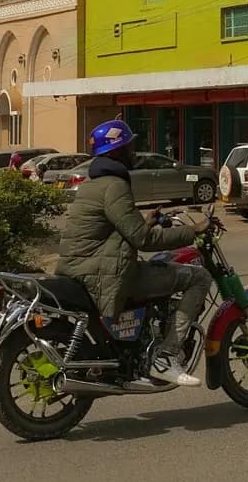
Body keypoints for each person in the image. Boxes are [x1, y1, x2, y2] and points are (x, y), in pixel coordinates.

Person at [56, 120, 213, 388]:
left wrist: (147, 220)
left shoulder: (92, 185)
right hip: (101, 274)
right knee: (198, 278)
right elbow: (143, 240)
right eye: (129, 146)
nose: (133, 152)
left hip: (80, 268)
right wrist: (194, 230)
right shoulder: (115, 186)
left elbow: (115, 229)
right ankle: (166, 356)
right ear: (116, 150)